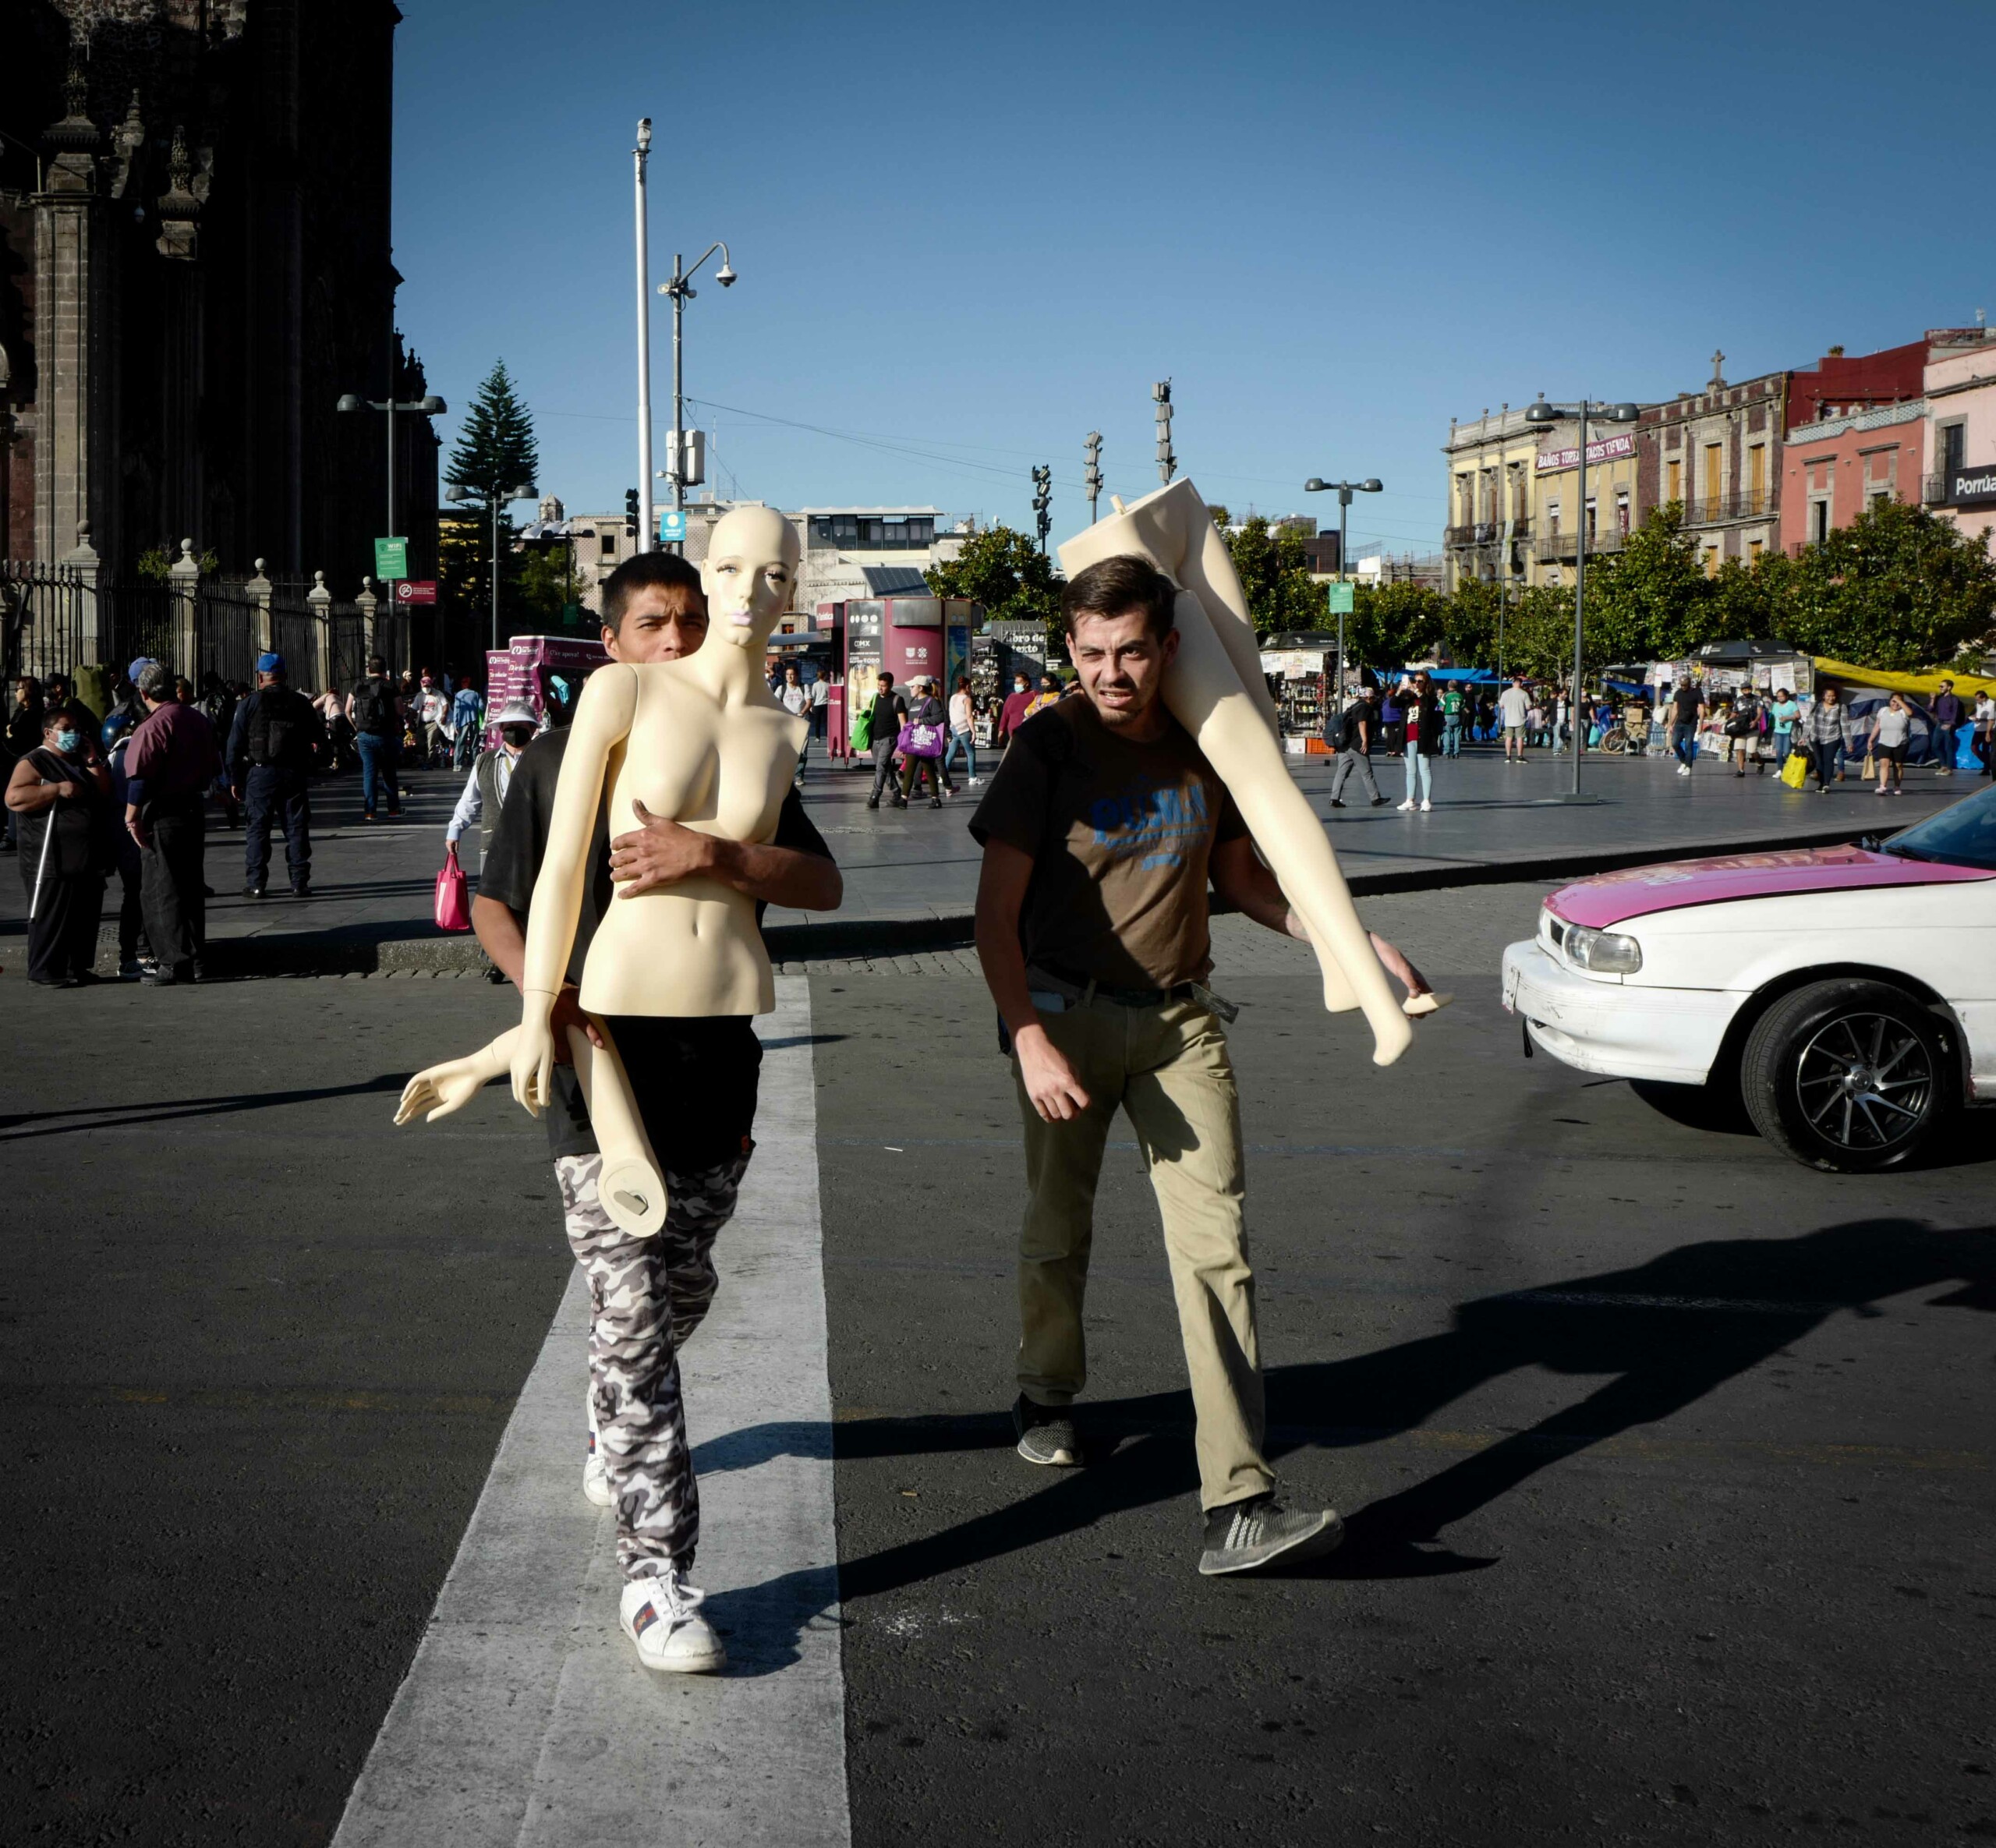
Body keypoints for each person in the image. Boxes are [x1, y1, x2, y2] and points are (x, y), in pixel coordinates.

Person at [461, 541, 841, 1676]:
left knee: (684, 1285)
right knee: (629, 1313)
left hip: (716, 1051)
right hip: (597, 1048)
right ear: (615, 642)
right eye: (655, 624)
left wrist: (714, 853)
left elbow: (815, 878)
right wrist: (545, 1002)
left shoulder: (764, 735)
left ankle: (614, 1418)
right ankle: (658, 1574)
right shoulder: (570, 745)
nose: (679, 638)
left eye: (691, 618)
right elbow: (498, 898)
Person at [970, 552, 1347, 1577]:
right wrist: (1029, 1035)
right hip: (1064, 1016)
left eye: (1131, 650)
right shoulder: (1047, 746)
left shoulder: (1202, 738)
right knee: (1059, 1224)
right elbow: (992, 919)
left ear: (1165, 646)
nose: (1112, 672)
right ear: (1072, 652)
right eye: (1091, 653)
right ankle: (1046, 1392)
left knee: (1216, 1248)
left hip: (1182, 1023)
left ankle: (1239, 1498)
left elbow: (1238, 877)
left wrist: (1342, 937)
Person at [122, 662, 221, 984]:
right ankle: (198, 961)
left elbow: (140, 777)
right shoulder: (197, 719)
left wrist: (131, 816)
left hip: (162, 811)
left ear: (143, 692)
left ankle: (173, 962)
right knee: (191, 887)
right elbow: (213, 763)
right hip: (193, 807)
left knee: (161, 889)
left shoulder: (152, 726)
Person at [5, 705, 113, 985]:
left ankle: (74, 966)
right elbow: (14, 798)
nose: (73, 734)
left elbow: (103, 791)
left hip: (84, 857)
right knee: (51, 917)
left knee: (83, 916)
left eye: (76, 729)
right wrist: (55, 789)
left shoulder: (79, 760)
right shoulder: (34, 761)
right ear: (48, 732)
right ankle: (44, 970)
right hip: (50, 857)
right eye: (66, 730)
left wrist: (92, 761)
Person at [227, 651, 326, 898]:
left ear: (260, 677)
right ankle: (299, 882)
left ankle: (257, 883)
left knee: (258, 829)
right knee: (296, 828)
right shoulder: (300, 702)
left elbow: (234, 746)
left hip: (260, 774)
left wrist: (235, 779)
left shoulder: (249, 704)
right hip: (293, 773)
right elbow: (320, 737)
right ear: (285, 676)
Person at [449, 697, 539, 866]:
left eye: (521, 726)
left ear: (532, 729)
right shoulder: (485, 760)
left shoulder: (544, 759)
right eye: (510, 727)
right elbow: (470, 799)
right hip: (494, 844)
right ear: (501, 729)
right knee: (491, 892)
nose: (515, 731)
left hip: (534, 844)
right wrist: (455, 830)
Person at [348, 655, 403, 820]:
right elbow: (400, 710)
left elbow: (347, 710)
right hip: (385, 735)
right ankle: (393, 809)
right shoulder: (390, 686)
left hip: (364, 735)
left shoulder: (358, 686)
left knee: (369, 774)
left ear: (369, 669)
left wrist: (357, 727)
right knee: (389, 773)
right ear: (384, 670)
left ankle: (370, 812)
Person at [1326, 682, 1387, 809]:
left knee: (1341, 773)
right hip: (1357, 745)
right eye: (1372, 698)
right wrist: (1365, 740)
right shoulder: (1365, 707)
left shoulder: (1353, 707)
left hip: (1345, 745)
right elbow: (1362, 723)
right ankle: (1375, 798)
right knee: (1367, 773)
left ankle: (1334, 798)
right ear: (1368, 698)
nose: (1373, 700)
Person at [900, 676, 950, 807]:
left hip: (927, 741)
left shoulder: (931, 701)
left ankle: (936, 799)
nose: (910, 689)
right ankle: (903, 798)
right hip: (914, 741)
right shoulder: (912, 702)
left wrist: (922, 721)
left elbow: (940, 717)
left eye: (913, 686)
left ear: (920, 687)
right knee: (909, 769)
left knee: (929, 770)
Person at [864, 671, 910, 809]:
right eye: (879, 685)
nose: (880, 688)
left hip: (889, 739)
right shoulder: (875, 698)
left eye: (883, 686)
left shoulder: (897, 700)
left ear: (890, 685)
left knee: (880, 767)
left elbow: (903, 724)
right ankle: (897, 793)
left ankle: (875, 796)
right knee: (886, 768)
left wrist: (904, 744)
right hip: (875, 739)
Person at [1397, 671, 1439, 812]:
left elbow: (1429, 706)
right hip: (1408, 736)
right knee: (1410, 771)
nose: (1417, 683)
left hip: (1424, 737)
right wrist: (1400, 691)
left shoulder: (1430, 698)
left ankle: (1426, 800)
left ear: (1426, 682)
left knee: (1425, 769)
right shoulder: (1408, 697)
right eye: (1415, 680)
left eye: (1420, 681)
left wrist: (1417, 692)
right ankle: (1410, 800)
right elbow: (1392, 704)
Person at [1801, 685, 1846, 793]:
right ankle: (1821, 784)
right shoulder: (1817, 705)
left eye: (1833, 696)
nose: (1831, 698)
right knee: (1819, 762)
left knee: (1828, 760)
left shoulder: (1841, 707)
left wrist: (1849, 742)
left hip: (1833, 737)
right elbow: (1809, 722)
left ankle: (1826, 784)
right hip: (1816, 737)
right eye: (1829, 695)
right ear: (1824, 696)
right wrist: (1803, 737)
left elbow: (1845, 725)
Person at [1870, 692, 1912, 797]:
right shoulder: (1883, 711)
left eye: (1898, 702)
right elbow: (1877, 726)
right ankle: (1883, 786)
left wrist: (1900, 702)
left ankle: (1897, 786)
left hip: (1900, 743)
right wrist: (1871, 740)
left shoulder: (1903, 712)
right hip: (1884, 742)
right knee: (1884, 764)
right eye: (1894, 701)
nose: (1895, 704)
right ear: (1889, 701)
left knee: (1898, 766)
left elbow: (1910, 713)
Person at [777, 664, 811, 788]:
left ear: (796, 675)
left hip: (802, 723)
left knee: (802, 752)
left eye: (792, 674)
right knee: (787, 750)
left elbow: (809, 702)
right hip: (787, 724)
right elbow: (775, 702)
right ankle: (786, 776)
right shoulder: (782, 689)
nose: (789, 677)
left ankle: (799, 776)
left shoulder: (803, 687)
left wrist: (802, 712)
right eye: (787, 674)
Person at [944, 674, 981, 787]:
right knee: (970, 753)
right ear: (968, 687)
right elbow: (969, 716)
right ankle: (972, 777)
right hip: (964, 729)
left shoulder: (953, 697)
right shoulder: (967, 699)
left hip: (954, 728)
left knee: (951, 753)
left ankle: (943, 776)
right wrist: (974, 731)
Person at [1669, 678, 1705, 777]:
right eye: (1681, 685)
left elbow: (1702, 709)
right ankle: (1684, 762)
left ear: (1689, 684)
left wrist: (1700, 724)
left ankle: (1688, 767)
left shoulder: (1697, 693)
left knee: (1688, 745)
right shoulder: (1678, 693)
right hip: (1679, 722)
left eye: (1685, 685)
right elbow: (1675, 709)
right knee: (1675, 743)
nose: (1683, 687)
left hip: (1691, 723)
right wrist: (1670, 724)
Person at [1930, 678, 1965, 775]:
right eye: (1939, 686)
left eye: (1942, 686)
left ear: (1949, 687)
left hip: (1949, 724)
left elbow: (1955, 713)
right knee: (1935, 745)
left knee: (1948, 746)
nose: (1940, 688)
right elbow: (1930, 709)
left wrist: (1950, 724)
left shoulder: (1954, 699)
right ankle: (1943, 765)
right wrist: (1932, 699)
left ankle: (1949, 768)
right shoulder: (1939, 698)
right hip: (1940, 723)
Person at [449, 679, 485, 770]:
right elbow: (482, 707)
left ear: (462, 685)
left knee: (460, 742)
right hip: (474, 720)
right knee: (474, 743)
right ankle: (474, 763)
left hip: (463, 721)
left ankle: (457, 765)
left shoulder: (459, 695)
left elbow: (456, 711)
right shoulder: (476, 694)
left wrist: (455, 724)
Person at [996, 670, 1035, 750]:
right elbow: (1005, 715)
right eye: (1015, 683)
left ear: (1027, 683)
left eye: (1019, 683)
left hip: (1029, 733)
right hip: (1013, 733)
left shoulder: (1035, 695)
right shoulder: (1011, 697)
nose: (1016, 685)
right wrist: (1001, 732)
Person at [1496, 674, 1530, 764]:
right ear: (1521, 684)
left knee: (1509, 738)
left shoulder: (1505, 693)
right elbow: (1528, 707)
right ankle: (1520, 757)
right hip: (1520, 719)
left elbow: (1501, 706)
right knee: (1520, 738)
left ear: (1513, 683)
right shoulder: (1524, 694)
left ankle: (1508, 757)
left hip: (1509, 719)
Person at [1770, 686, 1800, 767]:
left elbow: (1798, 716)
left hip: (1788, 731)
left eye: (1781, 696)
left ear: (1786, 696)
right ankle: (1780, 769)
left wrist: (1787, 718)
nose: (1780, 698)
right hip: (1778, 731)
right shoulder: (1775, 705)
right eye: (1778, 696)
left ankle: (1787, 763)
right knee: (1778, 751)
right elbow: (1774, 716)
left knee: (1786, 751)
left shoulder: (1791, 704)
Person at [1439, 680, 1466, 758]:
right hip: (1457, 716)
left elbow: (1442, 707)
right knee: (1457, 735)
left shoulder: (1446, 695)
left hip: (1447, 716)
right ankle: (1456, 752)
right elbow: (1463, 707)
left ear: (1448, 686)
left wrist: (1440, 716)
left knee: (1447, 734)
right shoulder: (1460, 695)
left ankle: (1446, 752)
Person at [1974, 689, 1995, 779]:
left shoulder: (1992, 704)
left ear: (1984, 698)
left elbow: (1991, 718)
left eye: (1978, 699)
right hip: (1979, 729)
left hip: (1987, 728)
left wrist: (1987, 731)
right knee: (1974, 747)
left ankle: (1987, 767)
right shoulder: (1978, 705)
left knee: (1987, 749)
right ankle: (1989, 763)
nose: (1977, 701)